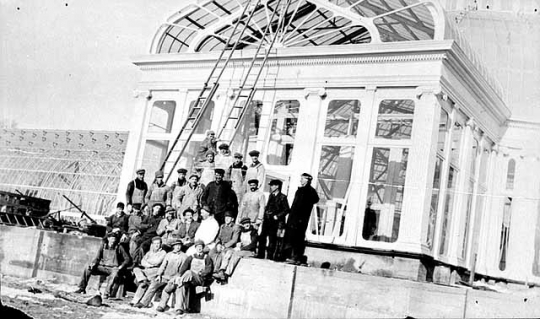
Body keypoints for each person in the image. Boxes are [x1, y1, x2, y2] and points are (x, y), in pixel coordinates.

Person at [159, 240, 213, 315]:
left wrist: (201, 273)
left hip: (200, 279)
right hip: (189, 279)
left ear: (203, 248)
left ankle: (177, 281)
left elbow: (208, 269)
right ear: (195, 248)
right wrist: (179, 276)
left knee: (188, 272)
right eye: (197, 247)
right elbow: (183, 268)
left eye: (201, 247)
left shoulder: (207, 257)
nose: (199, 248)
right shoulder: (191, 257)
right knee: (181, 286)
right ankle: (179, 308)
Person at [75, 232, 131, 298]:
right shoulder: (103, 245)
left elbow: (127, 259)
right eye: (111, 239)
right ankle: (82, 288)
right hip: (103, 267)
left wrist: (121, 266)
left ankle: (106, 293)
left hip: (113, 268)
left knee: (114, 274)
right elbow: (97, 257)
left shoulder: (119, 247)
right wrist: (93, 264)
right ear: (108, 239)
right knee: (87, 268)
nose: (113, 241)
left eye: (114, 239)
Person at [135, 239, 187, 309]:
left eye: (179, 245)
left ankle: (162, 306)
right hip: (165, 276)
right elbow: (163, 266)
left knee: (168, 288)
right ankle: (144, 302)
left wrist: (178, 277)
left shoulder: (184, 256)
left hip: (174, 278)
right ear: (173, 246)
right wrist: (159, 275)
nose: (177, 247)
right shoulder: (169, 255)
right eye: (176, 245)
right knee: (154, 284)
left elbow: (183, 269)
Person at [284, 173, 319, 265]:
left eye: (302, 179)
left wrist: (300, 217)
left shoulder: (309, 191)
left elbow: (314, 200)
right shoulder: (301, 190)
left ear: (307, 180)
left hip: (300, 219)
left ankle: (296, 257)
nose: (301, 180)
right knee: (294, 237)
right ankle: (295, 257)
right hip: (295, 218)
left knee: (298, 238)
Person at [214, 217, 258, 282]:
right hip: (242, 249)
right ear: (243, 225)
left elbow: (252, 245)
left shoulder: (253, 232)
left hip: (250, 251)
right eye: (245, 224)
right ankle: (222, 270)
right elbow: (237, 241)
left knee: (236, 254)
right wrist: (238, 244)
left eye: (248, 223)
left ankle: (227, 274)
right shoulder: (242, 232)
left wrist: (241, 248)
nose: (247, 225)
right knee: (229, 252)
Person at [257, 179, 289, 260]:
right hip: (267, 220)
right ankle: (260, 255)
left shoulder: (283, 197)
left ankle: (270, 256)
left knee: (272, 239)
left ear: (277, 186)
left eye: (272, 185)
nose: (270, 187)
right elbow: (268, 206)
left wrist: (277, 216)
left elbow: (287, 209)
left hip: (275, 222)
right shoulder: (271, 195)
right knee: (262, 237)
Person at [131, 236, 166, 306]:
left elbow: (157, 262)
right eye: (155, 243)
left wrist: (148, 263)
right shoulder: (149, 252)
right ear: (152, 245)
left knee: (142, 283)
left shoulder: (163, 252)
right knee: (136, 269)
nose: (156, 245)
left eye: (158, 243)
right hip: (147, 270)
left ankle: (135, 300)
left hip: (155, 270)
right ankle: (143, 280)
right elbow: (142, 261)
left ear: (160, 244)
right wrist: (148, 264)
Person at [211, 212, 241, 282]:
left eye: (229, 217)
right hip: (221, 245)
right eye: (225, 217)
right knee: (211, 253)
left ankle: (221, 272)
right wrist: (218, 244)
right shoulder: (222, 226)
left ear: (232, 219)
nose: (226, 219)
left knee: (224, 254)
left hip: (229, 247)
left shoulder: (235, 227)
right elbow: (218, 237)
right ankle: (212, 272)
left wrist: (224, 246)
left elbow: (234, 240)